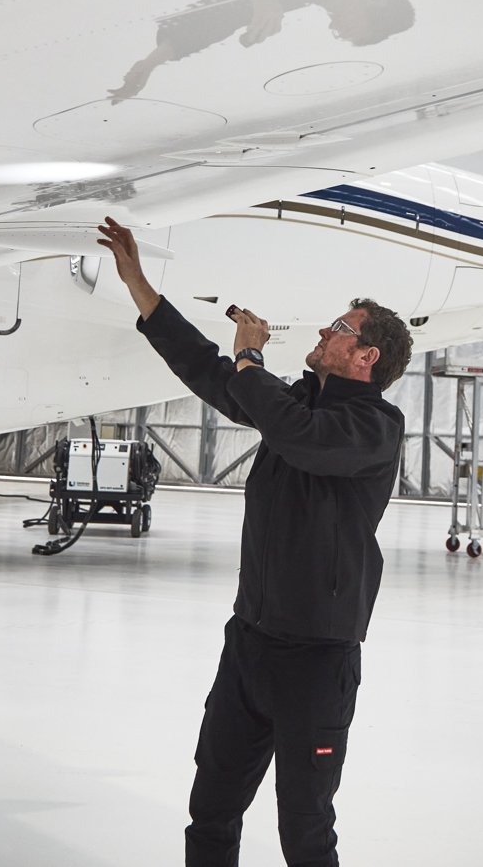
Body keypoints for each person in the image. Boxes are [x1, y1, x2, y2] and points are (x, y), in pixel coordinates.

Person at [96, 216, 413, 867]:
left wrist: (249, 358)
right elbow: (214, 376)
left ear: (365, 355)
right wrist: (142, 289)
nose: (324, 333)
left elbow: (297, 434)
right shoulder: (292, 402)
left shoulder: (373, 426)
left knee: (304, 830)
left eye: (339, 328)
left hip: (316, 661)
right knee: (210, 813)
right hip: (250, 646)